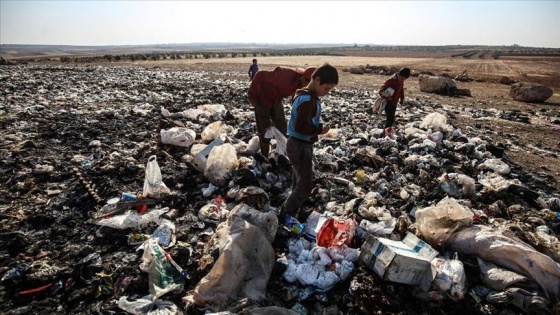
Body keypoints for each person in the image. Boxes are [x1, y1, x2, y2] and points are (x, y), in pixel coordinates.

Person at [279, 63, 339, 224]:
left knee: (297, 180)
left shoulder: (306, 96)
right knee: (305, 186)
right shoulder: (307, 100)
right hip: (299, 145)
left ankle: (293, 210)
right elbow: (301, 126)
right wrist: (319, 129)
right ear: (317, 80)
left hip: (298, 143)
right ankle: (285, 213)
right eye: (326, 89)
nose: (326, 93)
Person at [247, 65, 317, 157]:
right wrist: (252, 95)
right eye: (309, 84)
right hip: (263, 98)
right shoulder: (284, 75)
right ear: (304, 79)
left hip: (276, 99)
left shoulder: (301, 82)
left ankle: (282, 153)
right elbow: (260, 74)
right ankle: (265, 157)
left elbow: (296, 94)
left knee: (282, 126)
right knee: (264, 130)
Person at [378, 67, 410, 139]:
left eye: (404, 79)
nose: (402, 80)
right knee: (390, 120)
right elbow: (380, 91)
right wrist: (387, 98)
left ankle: (385, 134)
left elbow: (401, 89)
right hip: (388, 103)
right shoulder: (390, 81)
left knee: (391, 120)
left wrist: (402, 98)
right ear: (398, 74)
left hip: (394, 103)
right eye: (401, 78)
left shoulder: (400, 80)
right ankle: (384, 135)